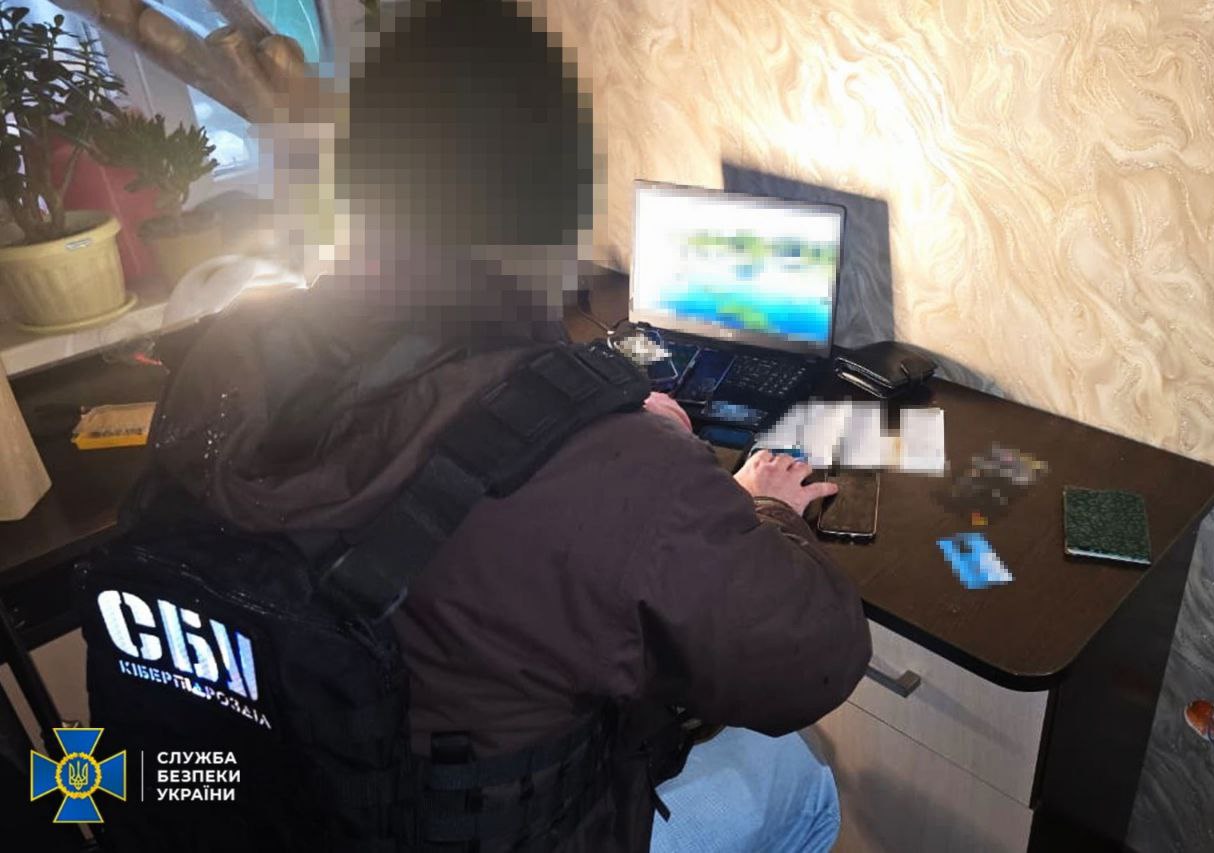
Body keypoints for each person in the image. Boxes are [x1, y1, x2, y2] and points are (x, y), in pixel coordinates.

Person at [137, 0, 871, 849]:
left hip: (295, 804)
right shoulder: (613, 468)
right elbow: (815, 659)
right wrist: (742, 497)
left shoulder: (227, 370)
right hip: (495, 825)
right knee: (799, 780)